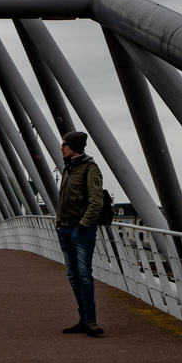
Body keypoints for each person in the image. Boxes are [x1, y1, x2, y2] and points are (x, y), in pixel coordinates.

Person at [55, 131, 105, 337]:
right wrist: (58, 223)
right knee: (73, 277)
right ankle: (83, 320)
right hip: (65, 229)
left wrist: (83, 225)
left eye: (65, 144)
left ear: (74, 146)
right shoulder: (67, 170)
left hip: (80, 230)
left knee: (84, 276)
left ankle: (91, 321)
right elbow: (62, 199)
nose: (61, 147)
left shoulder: (89, 169)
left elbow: (97, 202)